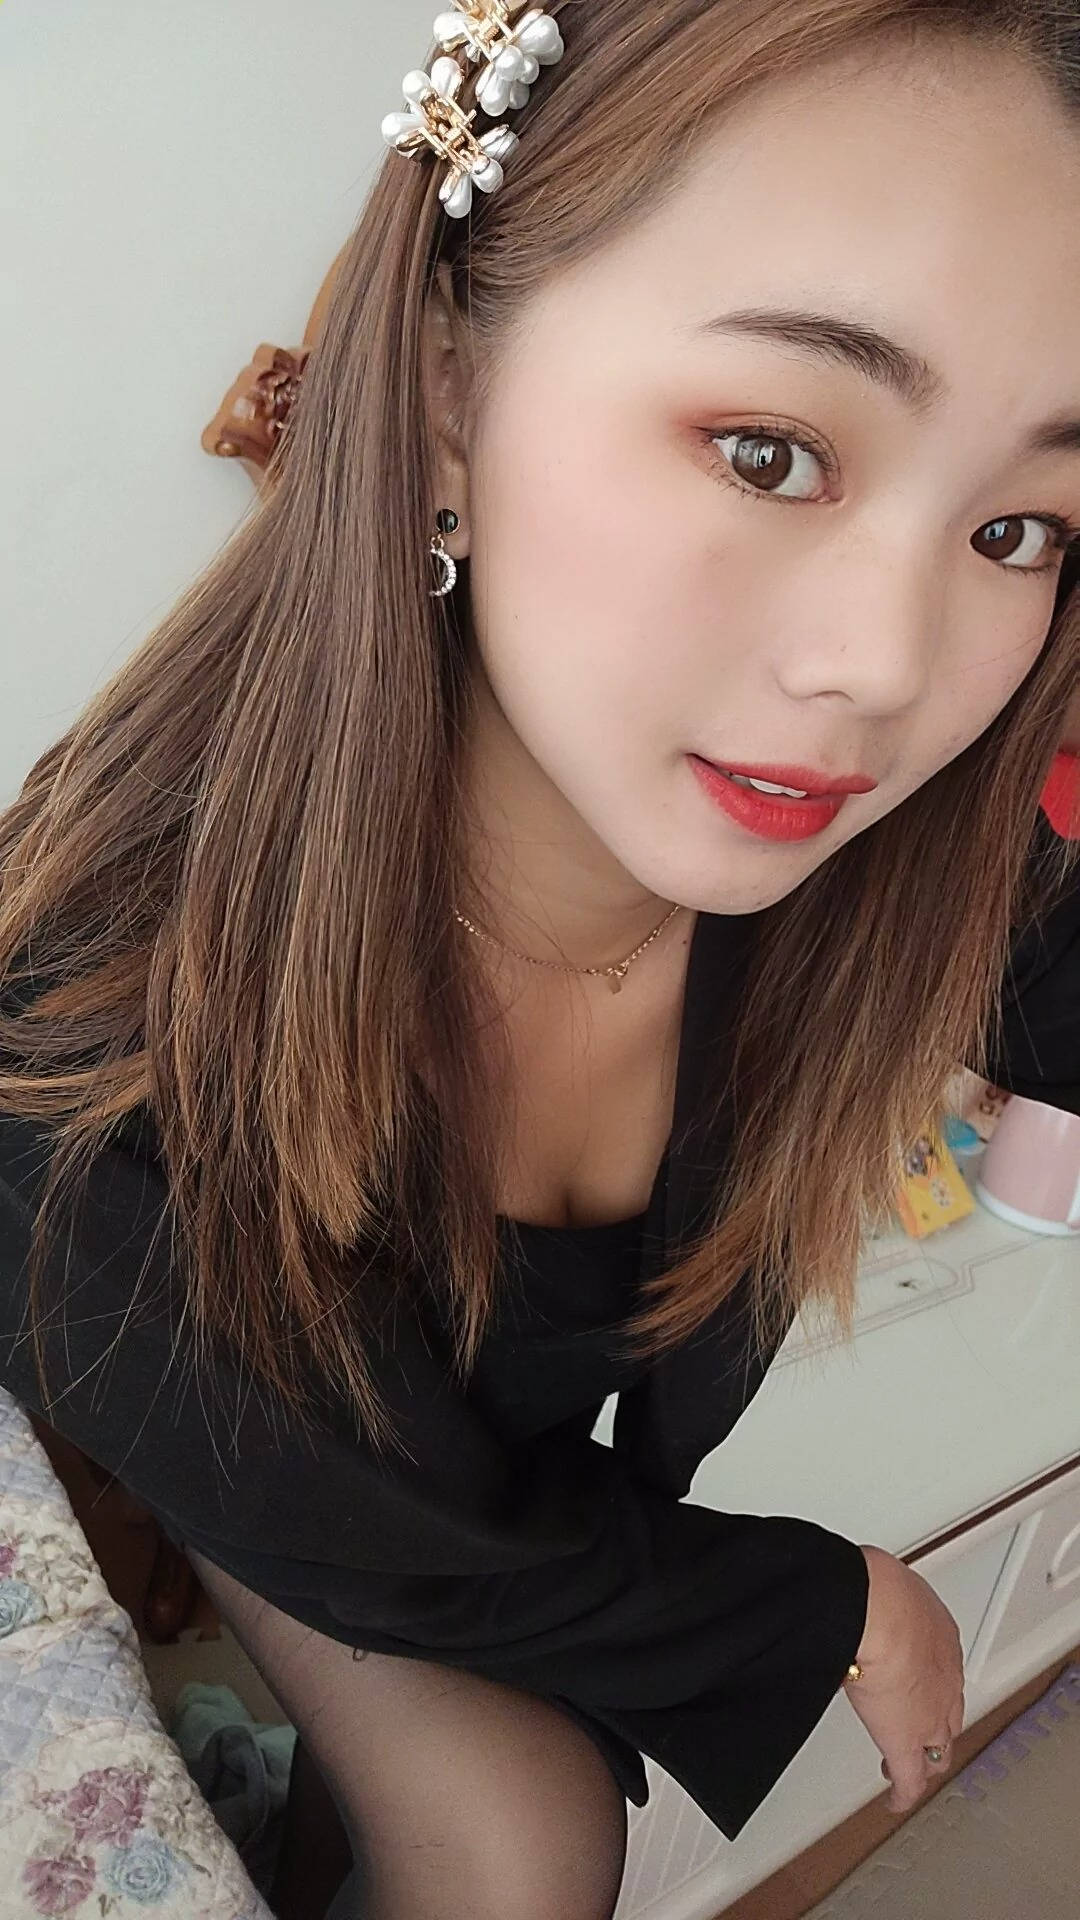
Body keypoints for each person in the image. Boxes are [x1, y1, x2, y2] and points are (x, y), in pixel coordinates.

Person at [2, 3, 1079, 1916]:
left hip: (441, 1466)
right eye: (769, 451)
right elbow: (385, 1529)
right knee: (519, 1842)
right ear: (444, 396)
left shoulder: (871, 844)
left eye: (1020, 526)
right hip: (274, 1425)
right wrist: (826, 1598)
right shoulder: (88, 1034)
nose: (889, 669)